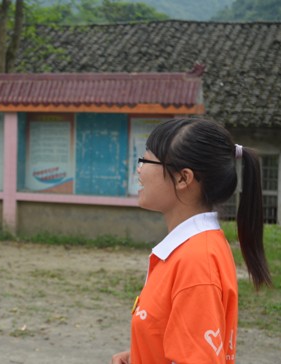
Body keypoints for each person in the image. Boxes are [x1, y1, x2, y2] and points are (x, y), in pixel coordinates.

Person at [111, 118, 272, 364]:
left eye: (146, 160)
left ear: (183, 178)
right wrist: (143, 355)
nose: (139, 169)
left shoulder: (196, 262)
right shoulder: (192, 250)